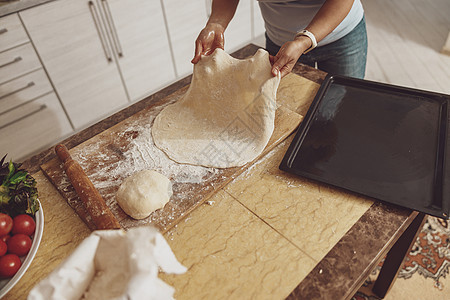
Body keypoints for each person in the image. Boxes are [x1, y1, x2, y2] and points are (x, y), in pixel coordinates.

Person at [191, 0, 368, 79]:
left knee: (340, 106)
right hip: (281, 44)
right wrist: (216, 23)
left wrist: (305, 40)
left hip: (343, 39)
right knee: (293, 110)